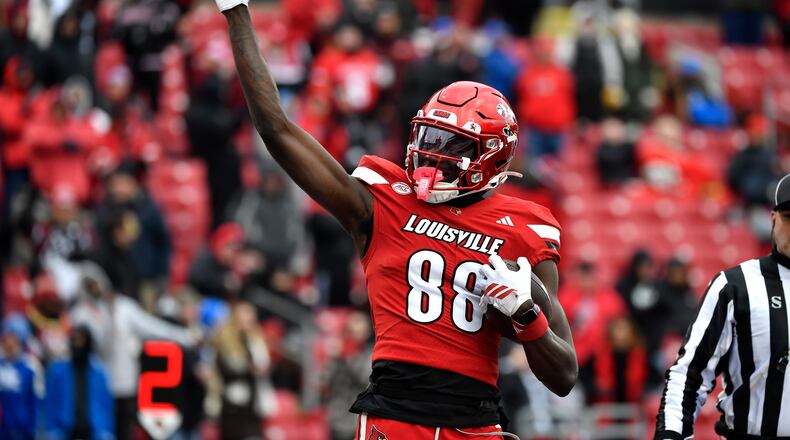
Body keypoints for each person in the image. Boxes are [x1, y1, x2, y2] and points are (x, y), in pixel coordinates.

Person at [215, 2, 578, 438]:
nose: (432, 153)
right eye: (429, 136)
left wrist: (525, 315)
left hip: (475, 424)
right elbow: (276, 129)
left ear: (492, 156)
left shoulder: (525, 227)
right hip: (394, 419)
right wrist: (236, 12)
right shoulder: (383, 199)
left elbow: (564, 375)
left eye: (452, 144)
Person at [655, 174, 790, 438]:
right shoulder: (734, 286)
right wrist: (671, 434)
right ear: (773, 219)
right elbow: (689, 375)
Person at [42, 326, 115, 440]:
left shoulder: (99, 372)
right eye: (75, 340)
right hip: (64, 431)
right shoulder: (58, 371)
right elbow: (50, 403)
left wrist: (106, 431)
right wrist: (51, 430)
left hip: (93, 432)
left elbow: (106, 405)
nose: (78, 345)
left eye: (81, 340)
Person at [0, 314, 42, 440]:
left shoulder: (31, 366)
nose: (9, 343)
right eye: (6, 338)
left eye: (13, 339)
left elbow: (37, 401)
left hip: (23, 431)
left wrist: (34, 429)